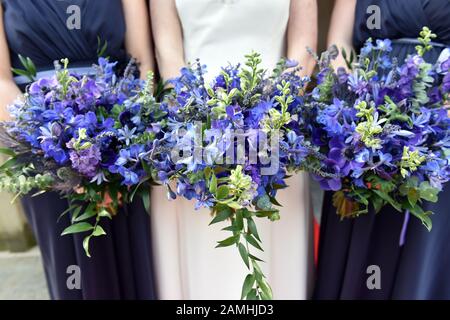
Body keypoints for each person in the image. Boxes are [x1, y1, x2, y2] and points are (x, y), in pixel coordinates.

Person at [150, 0, 317, 299]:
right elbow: (167, 51)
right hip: (195, 139)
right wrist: (203, 123)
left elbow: (303, 52)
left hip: (274, 135)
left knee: (275, 269)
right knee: (204, 266)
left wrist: (270, 119)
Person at [0, 0, 157, 299]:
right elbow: (0, 81)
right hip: (40, 149)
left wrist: (119, 145)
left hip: (121, 147)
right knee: (72, 271)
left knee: (132, 262)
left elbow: (143, 65)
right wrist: (53, 150)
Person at [314, 0, 450, 299]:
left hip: (438, 125)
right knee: (363, 236)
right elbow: (339, 44)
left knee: (419, 246)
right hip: (364, 120)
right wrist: (350, 110)